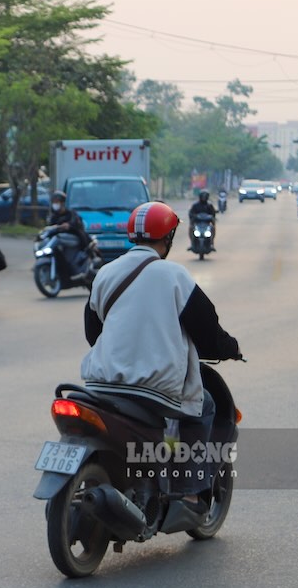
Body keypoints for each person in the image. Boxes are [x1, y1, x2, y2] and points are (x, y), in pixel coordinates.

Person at [81, 201, 241, 513]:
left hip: (101, 383)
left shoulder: (106, 273)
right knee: (205, 406)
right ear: (168, 238)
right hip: (155, 389)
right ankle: (189, 493)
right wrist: (230, 348)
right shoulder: (175, 276)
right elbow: (208, 333)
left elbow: (93, 333)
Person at [46, 190, 97, 280]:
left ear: (62, 203)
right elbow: (50, 227)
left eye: (57, 202)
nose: (55, 204)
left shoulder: (71, 214)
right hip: (60, 242)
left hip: (76, 240)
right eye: (54, 202)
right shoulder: (53, 217)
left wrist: (68, 225)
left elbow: (76, 224)